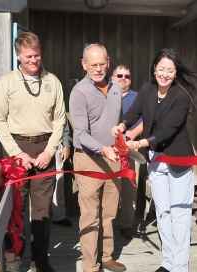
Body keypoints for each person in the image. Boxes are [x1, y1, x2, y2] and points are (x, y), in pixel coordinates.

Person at [112, 48, 197, 272]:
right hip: (156, 159)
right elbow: (134, 113)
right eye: (161, 69)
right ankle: (168, 262)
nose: (164, 74)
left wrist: (139, 144)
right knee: (162, 212)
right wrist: (123, 126)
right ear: (154, 68)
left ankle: (180, 267)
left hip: (179, 160)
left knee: (180, 214)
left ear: (176, 73)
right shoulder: (147, 89)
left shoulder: (181, 96)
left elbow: (166, 131)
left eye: (170, 70)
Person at [0, 31, 66, 272]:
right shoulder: (6, 83)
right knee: (15, 209)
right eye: (28, 56)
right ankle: (13, 260)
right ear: (17, 56)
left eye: (37, 55)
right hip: (17, 150)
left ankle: (40, 260)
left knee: (43, 212)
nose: (34, 60)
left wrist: (50, 151)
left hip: (44, 147)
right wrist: (16, 153)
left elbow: (59, 121)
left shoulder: (52, 81)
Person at [69, 43, 126, 272]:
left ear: (109, 62)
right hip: (88, 159)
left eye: (102, 63)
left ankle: (106, 255)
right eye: (93, 65)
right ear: (84, 65)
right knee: (90, 215)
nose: (98, 68)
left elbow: (118, 119)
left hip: (113, 158)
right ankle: (90, 266)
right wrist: (103, 149)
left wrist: (122, 129)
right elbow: (80, 134)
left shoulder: (116, 88)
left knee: (109, 212)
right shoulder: (79, 93)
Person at [111, 64, 141, 240]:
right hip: (108, 150)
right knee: (109, 187)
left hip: (130, 148)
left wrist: (128, 138)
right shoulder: (104, 95)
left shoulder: (138, 98)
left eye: (127, 76)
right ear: (112, 77)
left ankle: (127, 224)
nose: (123, 78)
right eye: (119, 75)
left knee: (129, 190)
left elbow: (143, 120)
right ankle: (108, 224)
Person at [52, 118, 73, 227]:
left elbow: (63, 124)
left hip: (56, 146)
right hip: (36, 146)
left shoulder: (58, 101)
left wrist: (66, 145)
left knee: (58, 182)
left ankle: (59, 216)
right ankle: (35, 219)